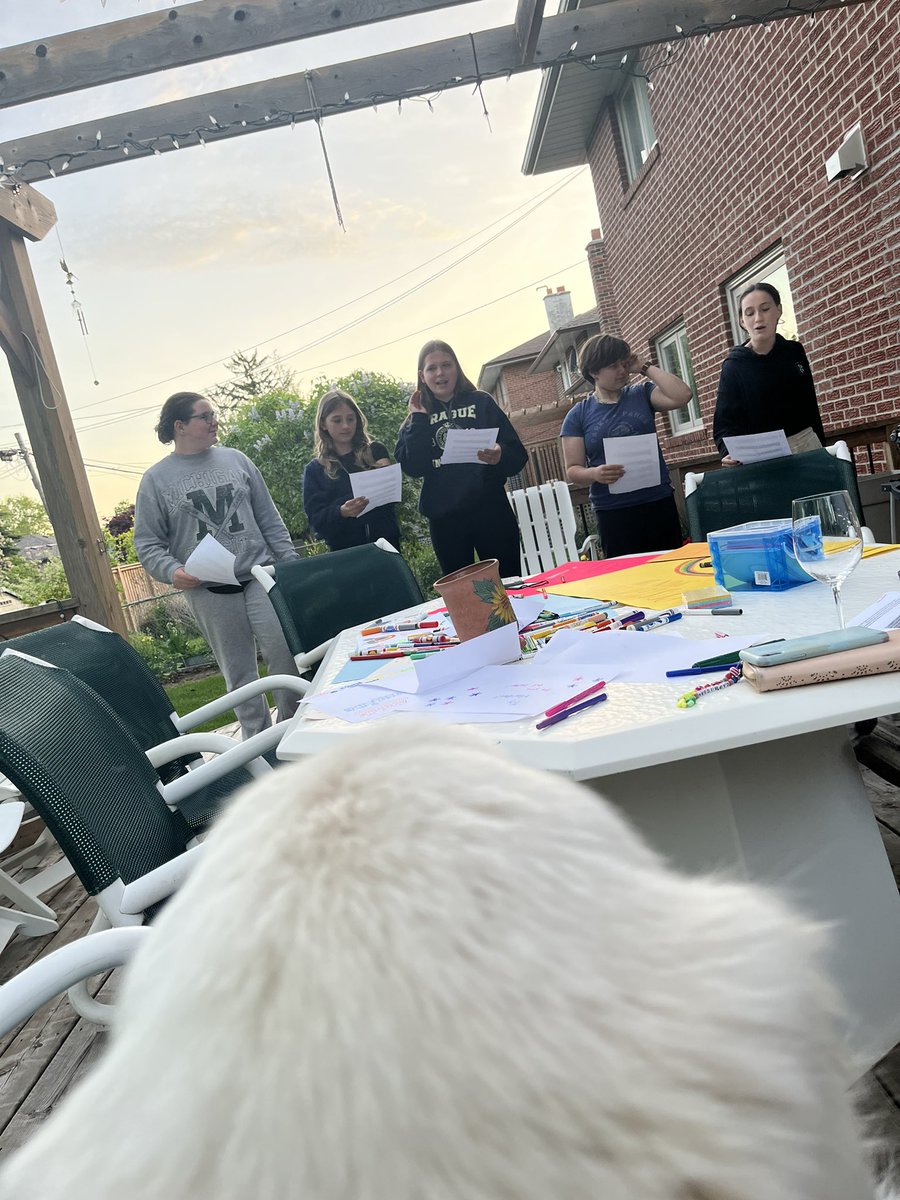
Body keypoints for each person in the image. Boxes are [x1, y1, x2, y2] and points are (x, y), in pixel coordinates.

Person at [134, 391, 302, 740]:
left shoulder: (237, 460)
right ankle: (259, 747)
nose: (214, 422)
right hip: (209, 590)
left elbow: (270, 521)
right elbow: (147, 543)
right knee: (240, 674)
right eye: (205, 416)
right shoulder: (156, 480)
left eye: (214, 414)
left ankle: (294, 731)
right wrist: (173, 571)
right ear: (179, 426)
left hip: (260, 577)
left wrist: (290, 568)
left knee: (286, 657)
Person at [395, 339, 528, 577]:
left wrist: (500, 455)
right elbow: (413, 467)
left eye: (446, 365)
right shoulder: (415, 418)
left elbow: (518, 456)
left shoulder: (482, 402)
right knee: (461, 594)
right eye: (431, 368)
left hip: (491, 510)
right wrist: (419, 420)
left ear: (456, 368)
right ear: (422, 376)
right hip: (445, 520)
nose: (440, 373)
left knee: (508, 585)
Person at [561, 333, 692, 559]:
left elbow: (683, 396)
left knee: (670, 572)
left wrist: (643, 367)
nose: (622, 370)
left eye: (623, 363)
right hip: (613, 512)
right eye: (613, 366)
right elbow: (573, 470)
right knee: (628, 581)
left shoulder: (642, 394)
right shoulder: (578, 415)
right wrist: (595, 473)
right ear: (593, 372)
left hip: (657, 503)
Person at [713, 282, 826, 466]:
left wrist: (821, 446)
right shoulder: (733, 366)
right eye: (749, 313)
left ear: (778, 310)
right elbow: (724, 423)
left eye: (765, 309)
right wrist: (727, 452)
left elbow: (810, 406)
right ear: (742, 321)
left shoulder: (794, 352)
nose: (758, 318)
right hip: (762, 459)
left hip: (807, 449)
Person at [302, 388, 401, 552]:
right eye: (337, 420)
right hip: (346, 554)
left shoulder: (375, 451)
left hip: (386, 546)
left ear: (358, 420)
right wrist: (341, 511)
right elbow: (317, 521)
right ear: (323, 424)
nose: (346, 426)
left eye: (350, 419)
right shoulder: (315, 469)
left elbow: (390, 499)